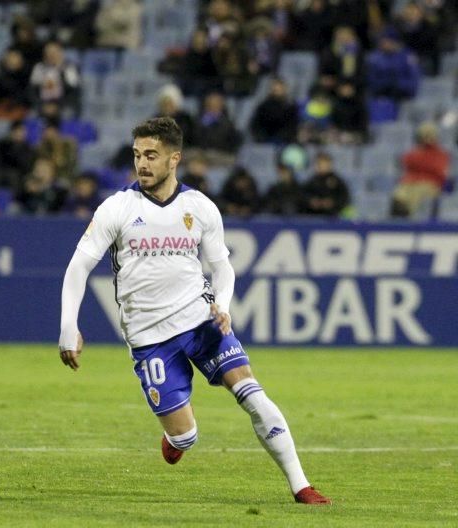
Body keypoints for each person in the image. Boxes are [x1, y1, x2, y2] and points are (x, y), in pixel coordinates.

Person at [58, 117, 331, 505]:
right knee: (187, 436)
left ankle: (301, 485)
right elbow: (78, 266)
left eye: (151, 155)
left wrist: (222, 304)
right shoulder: (116, 208)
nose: (142, 163)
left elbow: (222, 266)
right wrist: (69, 327)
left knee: (252, 393)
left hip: (201, 321)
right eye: (137, 155)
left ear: (174, 159)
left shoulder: (199, 207)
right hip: (150, 337)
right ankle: (175, 439)